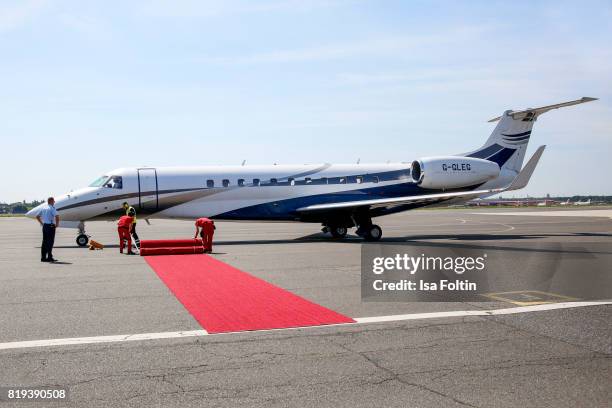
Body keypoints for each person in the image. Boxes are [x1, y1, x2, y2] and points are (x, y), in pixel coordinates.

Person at [36, 197, 60, 262]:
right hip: (51, 226)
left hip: (45, 226)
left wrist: (42, 223)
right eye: (53, 201)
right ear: (51, 201)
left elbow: (37, 216)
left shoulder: (43, 208)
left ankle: (43, 258)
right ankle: (49, 257)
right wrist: (57, 224)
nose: (54, 202)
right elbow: (57, 216)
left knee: (44, 242)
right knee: (50, 242)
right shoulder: (52, 208)